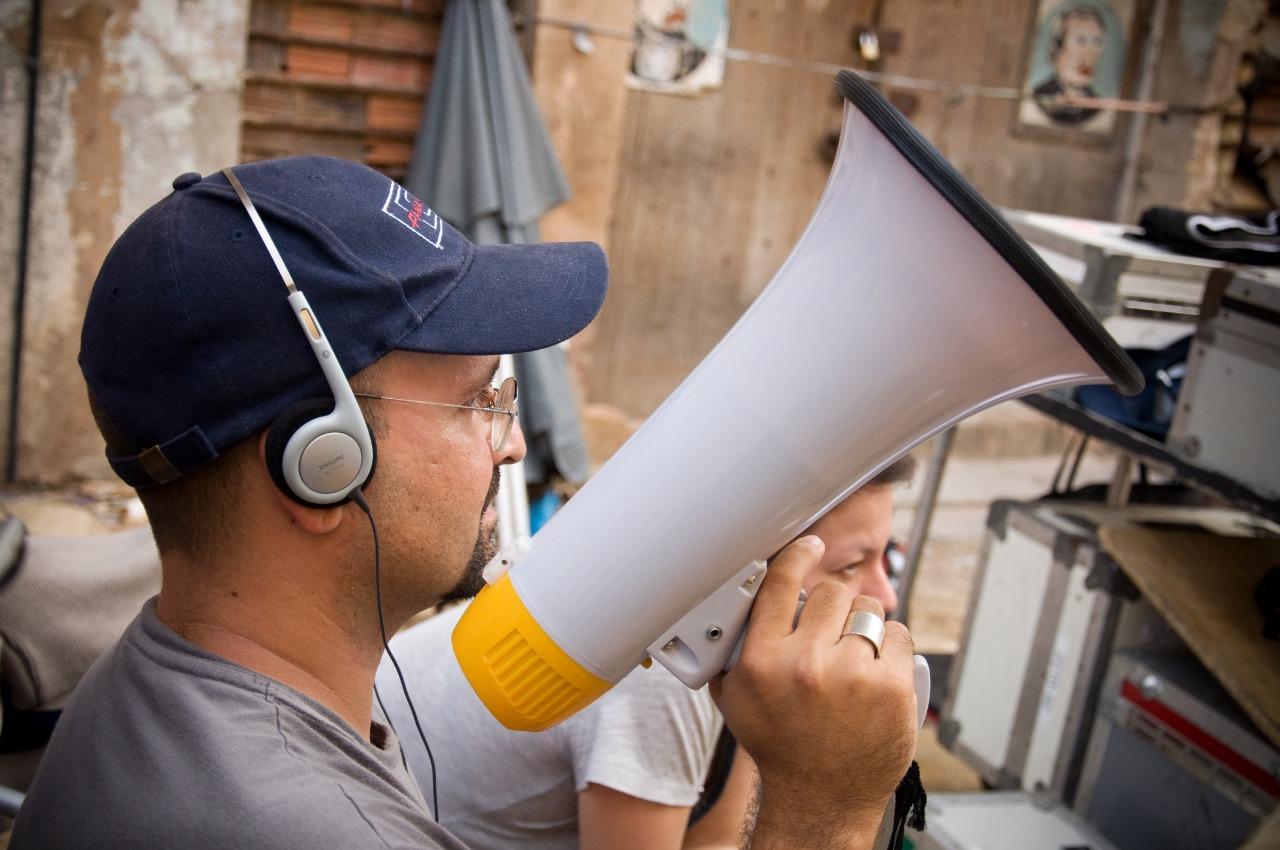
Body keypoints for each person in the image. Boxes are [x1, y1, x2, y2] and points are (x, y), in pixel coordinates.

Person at [9, 156, 919, 849]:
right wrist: (824, 812)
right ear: (320, 462)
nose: (514, 444)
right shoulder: (315, 829)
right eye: (482, 400)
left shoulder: (151, 681)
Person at [376, 456, 917, 850]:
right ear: (751, 578)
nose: (884, 595)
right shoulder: (655, 667)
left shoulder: (709, 633)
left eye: (884, 558)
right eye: (851, 565)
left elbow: (717, 839)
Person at [1032, 4, 1107, 125]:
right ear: (1055, 50)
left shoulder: (1097, 105)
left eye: (1097, 42)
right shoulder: (1039, 95)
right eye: (1081, 40)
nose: (1090, 53)